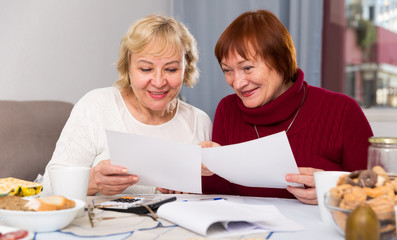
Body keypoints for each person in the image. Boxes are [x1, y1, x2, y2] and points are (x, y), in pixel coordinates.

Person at [200, 9, 373, 204]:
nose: (237, 83)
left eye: (247, 68)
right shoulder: (227, 110)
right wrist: (207, 170)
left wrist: (335, 189)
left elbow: (378, 191)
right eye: (227, 70)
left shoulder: (343, 111)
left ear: (281, 60)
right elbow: (221, 197)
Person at [42, 14, 212, 196]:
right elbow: (48, 188)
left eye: (171, 69)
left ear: (186, 69)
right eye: (146, 69)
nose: (158, 81)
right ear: (127, 67)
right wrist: (93, 181)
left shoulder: (199, 122)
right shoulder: (96, 106)